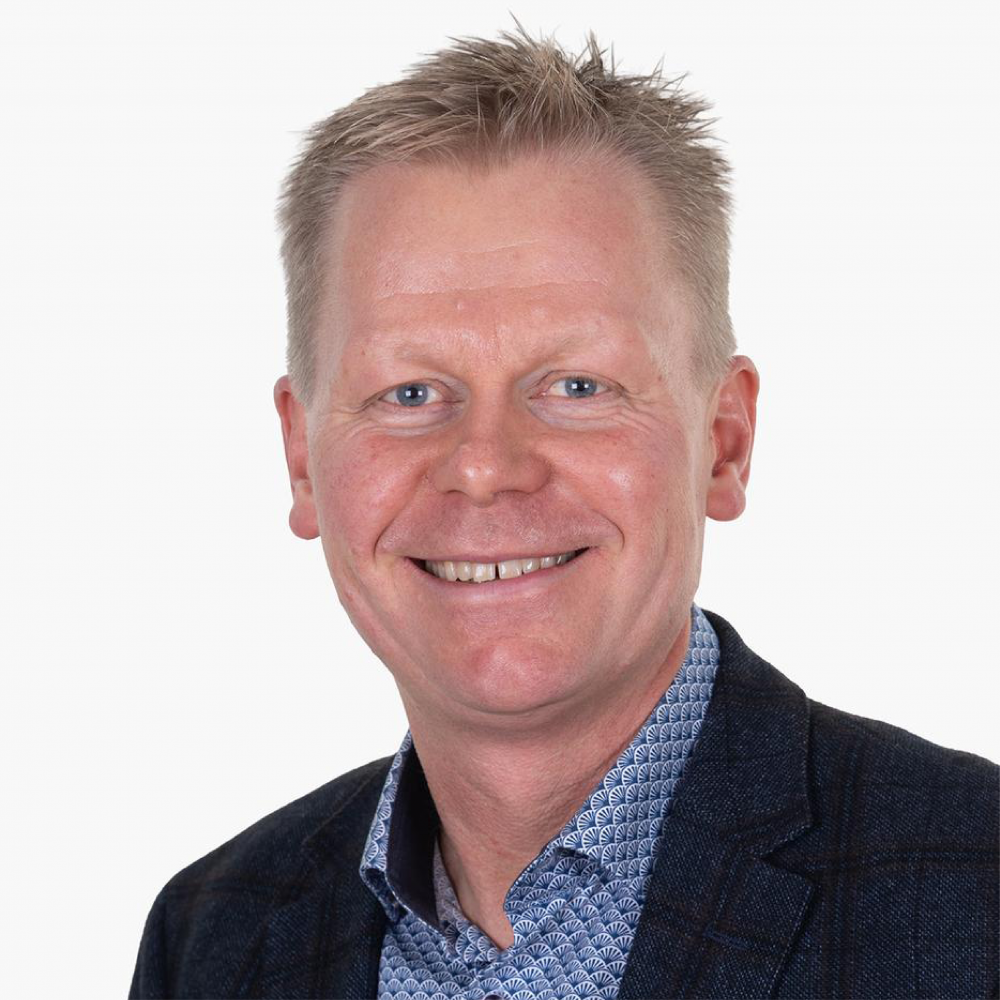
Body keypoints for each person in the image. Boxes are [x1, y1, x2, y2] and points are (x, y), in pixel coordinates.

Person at [129, 26, 1000, 1000]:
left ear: (724, 439)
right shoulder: (211, 940)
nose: (485, 467)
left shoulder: (975, 891)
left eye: (577, 385)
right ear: (302, 458)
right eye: (409, 392)